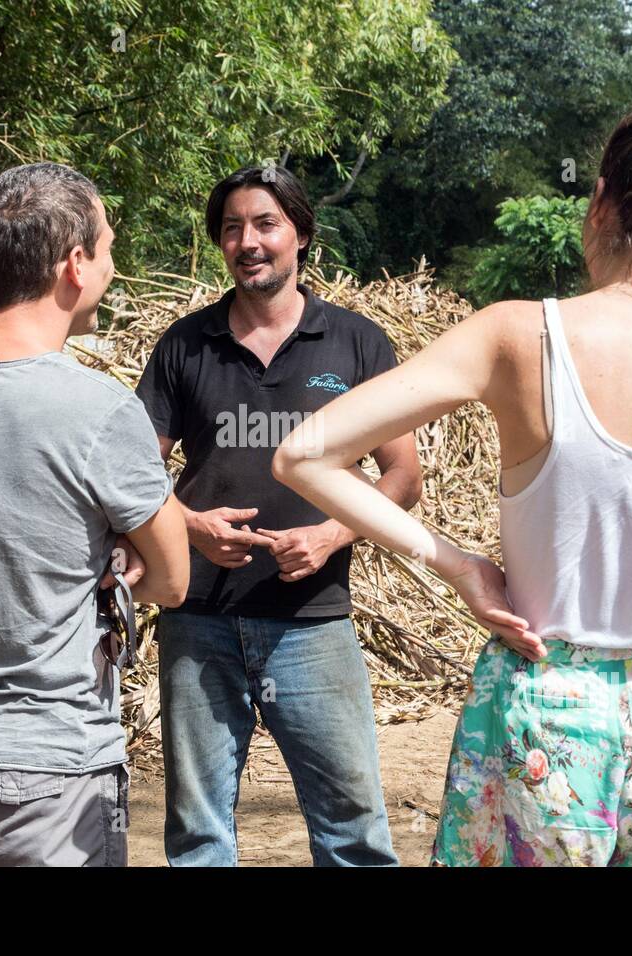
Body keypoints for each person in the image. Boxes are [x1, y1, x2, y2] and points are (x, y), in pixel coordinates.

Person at [273, 65, 632, 867]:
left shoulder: (516, 336)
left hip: (546, 708)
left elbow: (304, 454)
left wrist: (456, 566)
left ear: (599, 202)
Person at [0, 162, 189, 867]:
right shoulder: (101, 409)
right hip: (46, 767)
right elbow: (172, 580)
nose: (113, 265)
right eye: (107, 247)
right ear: (74, 264)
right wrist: (113, 558)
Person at [134, 164, 423, 866]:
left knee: (352, 829)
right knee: (198, 833)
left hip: (313, 622)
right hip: (197, 619)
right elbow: (135, 475)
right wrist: (193, 526)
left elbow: (404, 475)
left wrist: (332, 534)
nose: (248, 241)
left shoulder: (355, 343)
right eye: (232, 228)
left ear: (300, 234)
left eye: (265, 224)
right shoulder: (185, 345)